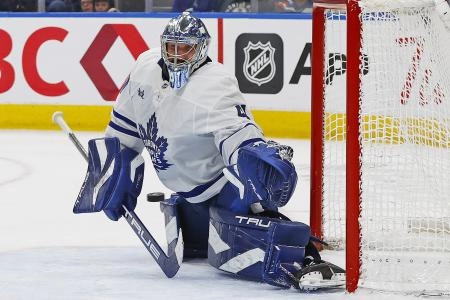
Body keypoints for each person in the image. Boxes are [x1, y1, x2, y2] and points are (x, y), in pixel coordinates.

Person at [74, 11, 345, 290]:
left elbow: (237, 136)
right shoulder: (144, 69)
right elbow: (124, 130)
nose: (177, 55)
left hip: (222, 192)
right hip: (186, 197)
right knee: (202, 247)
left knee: (250, 243)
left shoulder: (214, 85)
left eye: (185, 48)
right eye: (172, 47)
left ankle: (304, 254)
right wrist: (111, 174)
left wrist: (255, 157)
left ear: (201, 49)